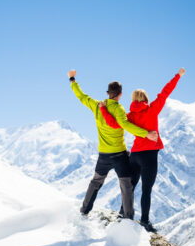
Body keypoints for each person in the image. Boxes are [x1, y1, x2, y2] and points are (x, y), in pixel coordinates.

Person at [99, 68, 185, 232]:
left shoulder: (129, 116)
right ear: (146, 98)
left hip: (135, 155)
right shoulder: (153, 109)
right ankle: (145, 221)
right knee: (146, 190)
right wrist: (178, 76)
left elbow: (114, 123)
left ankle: (122, 214)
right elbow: (165, 92)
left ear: (132, 100)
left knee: (130, 187)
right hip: (149, 156)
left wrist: (103, 109)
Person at [67, 69, 158, 219]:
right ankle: (128, 217)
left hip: (103, 155)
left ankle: (84, 211)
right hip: (119, 155)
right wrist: (146, 134)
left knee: (96, 182)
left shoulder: (96, 105)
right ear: (120, 94)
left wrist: (72, 80)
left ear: (108, 93)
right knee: (126, 185)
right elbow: (125, 125)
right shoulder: (119, 109)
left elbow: (81, 96)